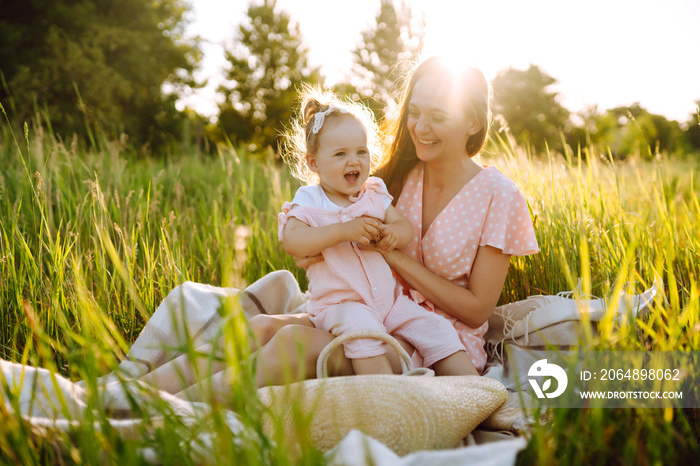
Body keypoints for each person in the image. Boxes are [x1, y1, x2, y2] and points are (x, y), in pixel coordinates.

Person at [247, 56, 539, 384]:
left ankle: (186, 408)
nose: (420, 127)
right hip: (371, 307)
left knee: (290, 344)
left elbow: (476, 310)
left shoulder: (498, 194)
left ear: (472, 122)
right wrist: (313, 247)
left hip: (437, 338)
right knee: (261, 327)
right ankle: (176, 401)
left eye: (437, 116)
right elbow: (324, 215)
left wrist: (393, 255)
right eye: (414, 112)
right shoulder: (393, 176)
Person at [275, 87, 472, 377]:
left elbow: (403, 226)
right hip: (342, 305)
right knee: (365, 336)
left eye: (361, 151)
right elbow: (293, 241)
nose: (353, 161)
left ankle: (480, 392)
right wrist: (343, 231)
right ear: (314, 163)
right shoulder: (310, 199)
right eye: (340, 154)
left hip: (389, 301)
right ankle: (385, 398)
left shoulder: (373, 193)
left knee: (436, 328)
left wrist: (393, 235)